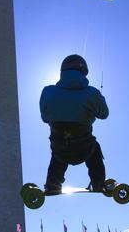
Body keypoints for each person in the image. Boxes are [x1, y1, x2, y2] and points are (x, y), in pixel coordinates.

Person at [40, 54, 109, 195]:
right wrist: (98, 99)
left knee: (57, 154)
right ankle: (98, 182)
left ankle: (52, 184)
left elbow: (45, 118)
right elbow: (104, 114)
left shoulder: (48, 92)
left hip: (60, 148)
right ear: (83, 72)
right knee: (94, 149)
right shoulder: (92, 93)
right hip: (84, 148)